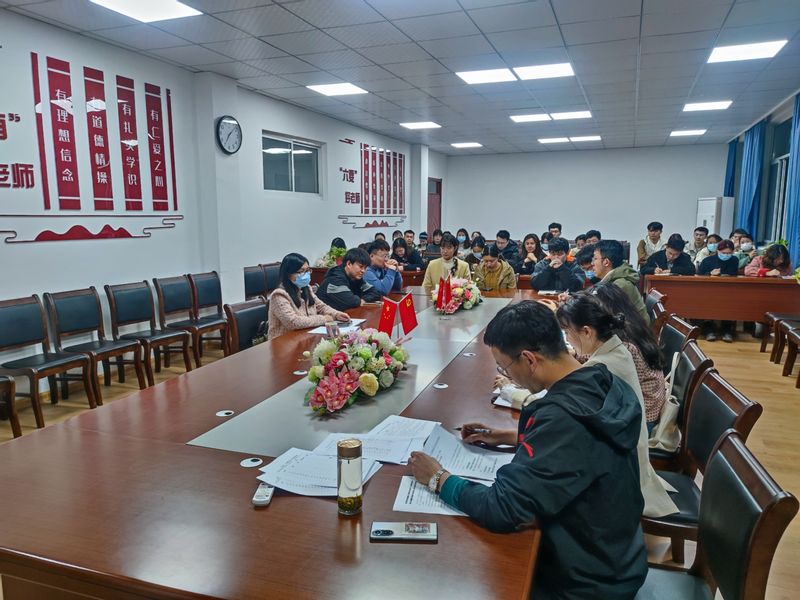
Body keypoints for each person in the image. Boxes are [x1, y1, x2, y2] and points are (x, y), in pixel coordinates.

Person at [408, 301, 648, 599]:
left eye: (504, 367)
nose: (506, 374)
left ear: (529, 359)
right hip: (618, 553)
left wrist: (438, 478)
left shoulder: (563, 419)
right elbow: (581, 452)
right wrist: (512, 436)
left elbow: (503, 509)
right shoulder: (605, 380)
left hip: (585, 580)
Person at [556, 294, 678, 519]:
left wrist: (516, 394)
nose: (567, 339)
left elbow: (566, 401)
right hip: (629, 444)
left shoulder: (603, 365)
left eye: (567, 332)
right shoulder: (615, 349)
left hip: (626, 464)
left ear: (587, 332)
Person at [590, 284, 667, 431]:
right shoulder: (631, 325)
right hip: (646, 406)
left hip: (641, 420)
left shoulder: (624, 343)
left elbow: (604, 373)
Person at [267, 253, 350, 339]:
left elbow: (321, 307)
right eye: (301, 271)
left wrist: (336, 314)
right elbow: (293, 322)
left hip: (305, 336)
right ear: (288, 274)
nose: (306, 274)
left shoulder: (306, 288)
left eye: (307, 270)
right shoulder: (279, 295)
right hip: (283, 342)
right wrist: (324, 319)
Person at [591, 240, 649, 322]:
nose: (592, 263)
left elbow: (601, 313)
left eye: (595, 259)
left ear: (606, 262)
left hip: (633, 328)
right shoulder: (616, 279)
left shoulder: (620, 284)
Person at [316, 247, 383, 310]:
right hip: (324, 316)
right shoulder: (335, 279)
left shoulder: (356, 278)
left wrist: (363, 300)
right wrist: (359, 301)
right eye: (361, 267)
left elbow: (376, 293)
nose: (363, 271)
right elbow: (352, 302)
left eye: (365, 268)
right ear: (348, 264)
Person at [698, 239, 738, 342]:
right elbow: (699, 275)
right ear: (718, 251)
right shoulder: (708, 260)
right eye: (723, 253)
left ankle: (727, 329)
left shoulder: (734, 260)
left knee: (730, 303)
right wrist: (710, 274)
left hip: (728, 291)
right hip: (708, 291)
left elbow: (733, 274)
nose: (726, 255)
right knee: (707, 303)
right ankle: (709, 328)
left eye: (729, 253)